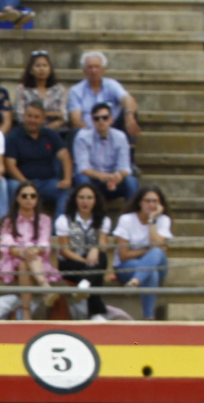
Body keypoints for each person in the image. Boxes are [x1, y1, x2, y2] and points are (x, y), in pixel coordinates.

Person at [112, 184, 170, 320]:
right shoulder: (126, 219)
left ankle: (135, 282)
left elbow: (158, 248)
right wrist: (147, 252)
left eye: (155, 201)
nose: (151, 204)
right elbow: (124, 255)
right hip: (127, 266)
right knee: (151, 271)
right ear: (140, 202)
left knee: (156, 252)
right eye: (147, 201)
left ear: (160, 204)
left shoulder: (163, 220)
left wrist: (152, 220)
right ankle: (149, 318)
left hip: (158, 265)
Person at [0, 182, 53, 319]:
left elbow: (44, 242)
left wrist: (34, 250)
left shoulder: (44, 219)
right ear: (17, 198)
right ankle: (45, 287)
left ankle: (26, 310)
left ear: (37, 199)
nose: (29, 199)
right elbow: (7, 243)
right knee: (24, 261)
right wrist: (23, 252)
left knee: (25, 263)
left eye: (32, 196)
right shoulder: (8, 220)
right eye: (24, 196)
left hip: (37, 260)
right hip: (13, 259)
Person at [4, 100, 70, 217]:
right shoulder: (13, 137)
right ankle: (15, 223)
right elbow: (10, 165)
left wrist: (67, 179)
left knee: (66, 191)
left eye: (36, 117)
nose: (32, 120)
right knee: (13, 187)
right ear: (24, 116)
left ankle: (59, 226)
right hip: (21, 181)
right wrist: (26, 184)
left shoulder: (51, 135)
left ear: (43, 119)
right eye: (29, 116)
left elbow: (65, 156)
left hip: (47, 182)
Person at [55, 183, 110, 320]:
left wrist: (95, 249)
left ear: (95, 200)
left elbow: (103, 245)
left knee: (102, 257)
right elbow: (64, 251)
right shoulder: (64, 220)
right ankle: (96, 312)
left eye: (89, 198)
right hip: (71, 263)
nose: (85, 201)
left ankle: (84, 285)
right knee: (95, 270)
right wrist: (86, 261)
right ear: (75, 200)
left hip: (93, 262)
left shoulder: (103, 220)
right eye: (81, 197)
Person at [71, 101, 135, 206]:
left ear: (111, 119)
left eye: (105, 118)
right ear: (92, 120)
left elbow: (125, 168)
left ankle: (130, 214)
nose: (101, 121)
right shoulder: (82, 137)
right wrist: (101, 176)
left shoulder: (120, 137)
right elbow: (83, 168)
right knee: (83, 179)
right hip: (93, 180)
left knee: (131, 182)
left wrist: (118, 175)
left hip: (113, 180)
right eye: (97, 118)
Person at [68, 51, 139, 140]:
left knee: (129, 110)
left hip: (112, 128)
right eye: (90, 67)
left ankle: (130, 146)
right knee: (75, 131)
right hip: (88, 131)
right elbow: (76, 121)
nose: (94, 70)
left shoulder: (112, 84)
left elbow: (128, 99)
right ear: (84, 71)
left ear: (103, 70)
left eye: (97, 67)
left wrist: (129, 116)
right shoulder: (76, 90)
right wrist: (97, 132)